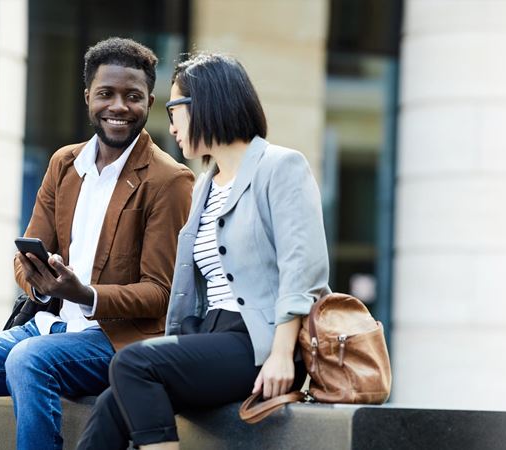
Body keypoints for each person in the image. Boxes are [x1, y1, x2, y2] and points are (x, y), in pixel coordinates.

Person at [0, 37, 194, 450]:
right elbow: (25, 256)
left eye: (132, 96)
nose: (119, 106)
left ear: (149, 101)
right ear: (88, 98)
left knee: (30, 360)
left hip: (115, 341)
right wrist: (40, 281)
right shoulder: (65, 164)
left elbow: (161, 293)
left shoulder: (169, 180)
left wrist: (83, 294)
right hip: (45, 326)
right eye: (106, 94)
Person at [76, 53, 330, 449]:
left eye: (175, 108)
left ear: (206, 104)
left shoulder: (280, 167)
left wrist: (281, 354)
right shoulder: (204, 187)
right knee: (114, 401)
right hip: (210, 336)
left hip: (257, 342)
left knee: (132, 364)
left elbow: (303, 268)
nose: (171, 124)